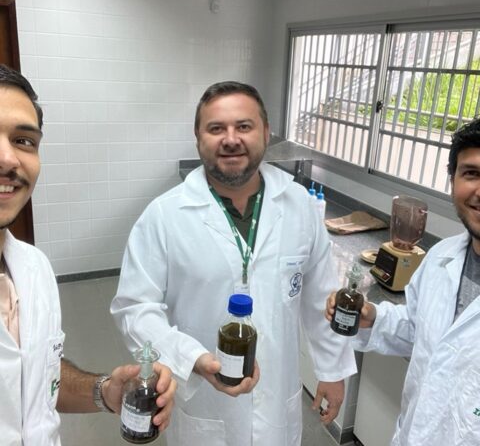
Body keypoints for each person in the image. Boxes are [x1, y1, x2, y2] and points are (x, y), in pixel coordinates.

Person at [111, 81, 357, 446]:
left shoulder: (300, 206)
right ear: (198, 138)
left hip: (277, 402)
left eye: (244, 126)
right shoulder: (163, 216)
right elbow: (134, 308)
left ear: (265, 133)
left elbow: (321, 297)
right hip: (204, 405)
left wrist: (333, 370)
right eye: (216, 128)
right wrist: (192, 358)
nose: (231, 139)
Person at [0, 64, 176, 446]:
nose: (8, 159)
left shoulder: (34, 269)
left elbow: (40, 376)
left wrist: (106, 391)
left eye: (23, 140)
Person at [326, 117, 480, 445]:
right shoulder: (441, 258)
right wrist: (372, 317)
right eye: (471, 173)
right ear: (452, 180)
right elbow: (416, 327)